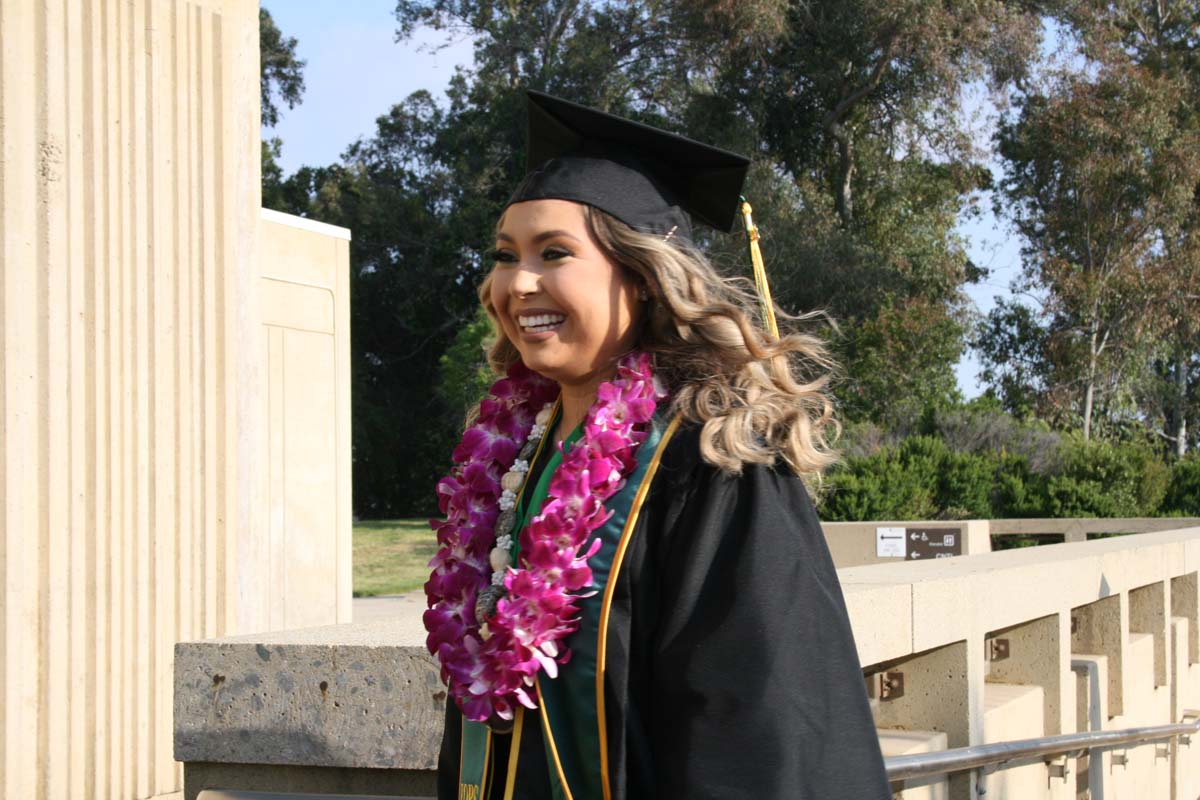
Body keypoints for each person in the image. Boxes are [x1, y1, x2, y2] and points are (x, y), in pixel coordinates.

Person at [424, 90, 891, 800]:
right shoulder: (513, 457)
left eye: (554, 253)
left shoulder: (713, 459)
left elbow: (758, 722)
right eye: (504, 255)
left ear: (640, 279)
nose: (517, 283)